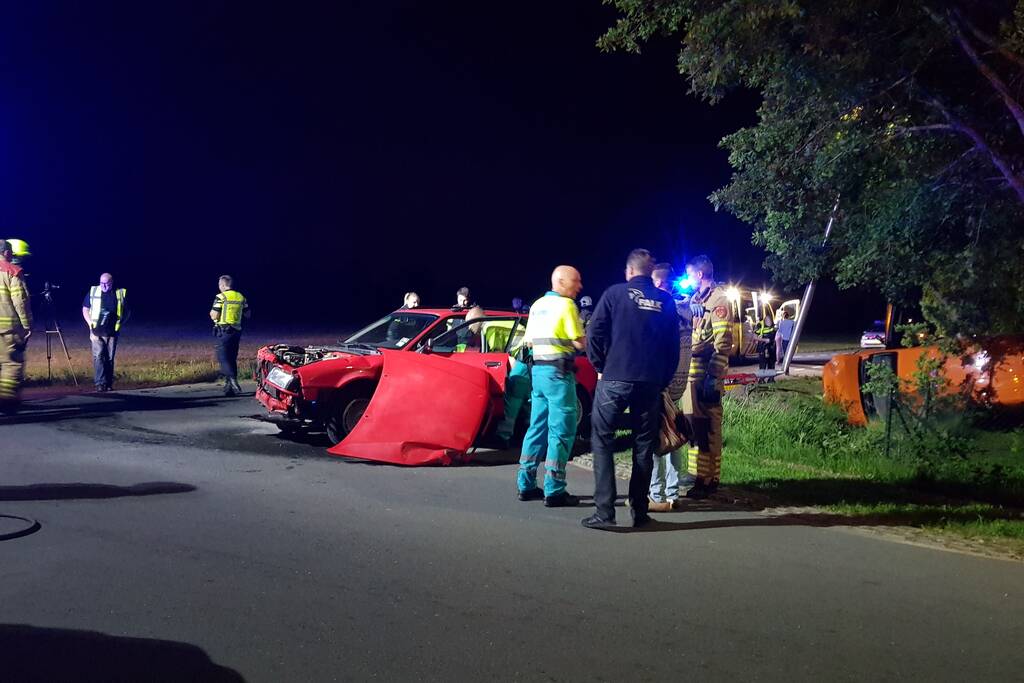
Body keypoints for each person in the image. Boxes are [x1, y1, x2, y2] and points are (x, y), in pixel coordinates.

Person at [582, 250, 679, 529]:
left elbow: (594, 334)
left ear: (629, 271)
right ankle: (640, 511)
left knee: (601, 439)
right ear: (650, 272)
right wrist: (661, 378)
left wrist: (602, 365)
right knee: (643, 446)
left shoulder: (614, 294)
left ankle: (604, 512)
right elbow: (673, 348)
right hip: (650, 381)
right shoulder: (665, 301)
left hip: (615, 378)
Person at [517, 265, 585, 507]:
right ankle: (554, 490)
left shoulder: (537, 305)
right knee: (562, 431)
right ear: (561, 281)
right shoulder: (566, 306)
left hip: (538, 373)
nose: (580, 286)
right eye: (575, 281)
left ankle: (525, 484)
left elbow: (528, 341)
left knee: (536, 427)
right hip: (558, 375)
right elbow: (579, 343)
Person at [682, 254, 733, 499]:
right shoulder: (695, 299)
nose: (688, 279)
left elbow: (723, 343)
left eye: (689, 274)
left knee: (709, 428)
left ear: (700, 274)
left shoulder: (719, 299)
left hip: (706, 376)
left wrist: (713, 377)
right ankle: (698, 474)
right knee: (694, 426)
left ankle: (710, 479)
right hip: (692, 377)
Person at [647, 262, 693, 512]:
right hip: (679, 381)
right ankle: (674, 493)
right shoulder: (686, 308)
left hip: (662, 381)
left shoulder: (664, 308)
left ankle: (657, 493)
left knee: (660, 438)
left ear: (660, 283)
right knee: (674, 436)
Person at [0, 239, 33, 414]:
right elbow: (20, 301)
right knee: (11, 364)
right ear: (7, 253)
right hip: (7, 330)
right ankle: (6, 403)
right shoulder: (12, 271)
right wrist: (27, 325)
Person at [82, 273, 128, 392]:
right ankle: (100, 383)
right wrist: (90, 323)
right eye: (102, 283)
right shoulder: (93, 292)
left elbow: (127, 311)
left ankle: (108, 383)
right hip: (96, 331)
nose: (104, 286)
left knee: (109, 358)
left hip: (112, 332)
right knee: (98, 356)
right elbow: (85, 309)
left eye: (107, 284)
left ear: (111, 283)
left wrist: (121, 323)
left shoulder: (119, 293)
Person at [210, 275, 251, 396]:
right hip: (236, 332)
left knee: (223, 358)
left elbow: (214, 315)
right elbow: (248, 314)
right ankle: (229, 389)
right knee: (232, 358)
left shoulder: (220, 297)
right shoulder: (240, 297)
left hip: (224, 331)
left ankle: (233, 381)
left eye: (219, 285)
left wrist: (213, 315)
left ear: (223, 285)